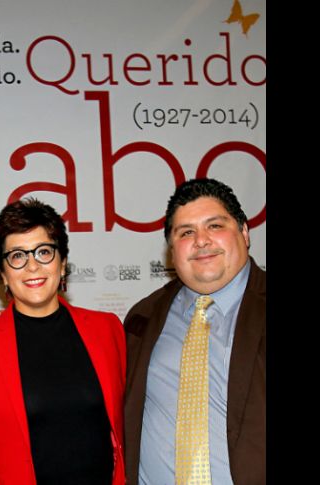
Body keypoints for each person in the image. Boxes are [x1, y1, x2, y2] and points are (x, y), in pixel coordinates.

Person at [0, 198, 126, 485]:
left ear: (63, 263)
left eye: (44, 251)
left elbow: (124, 424)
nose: (32, 266)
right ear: (3, 274)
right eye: (17, 256)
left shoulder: (107, 329)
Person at [123, 178, 265, 484]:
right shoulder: (142, 319)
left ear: (244, 232)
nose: (201, 240)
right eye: (186, 232)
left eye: (215, 226)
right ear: (172, 250)